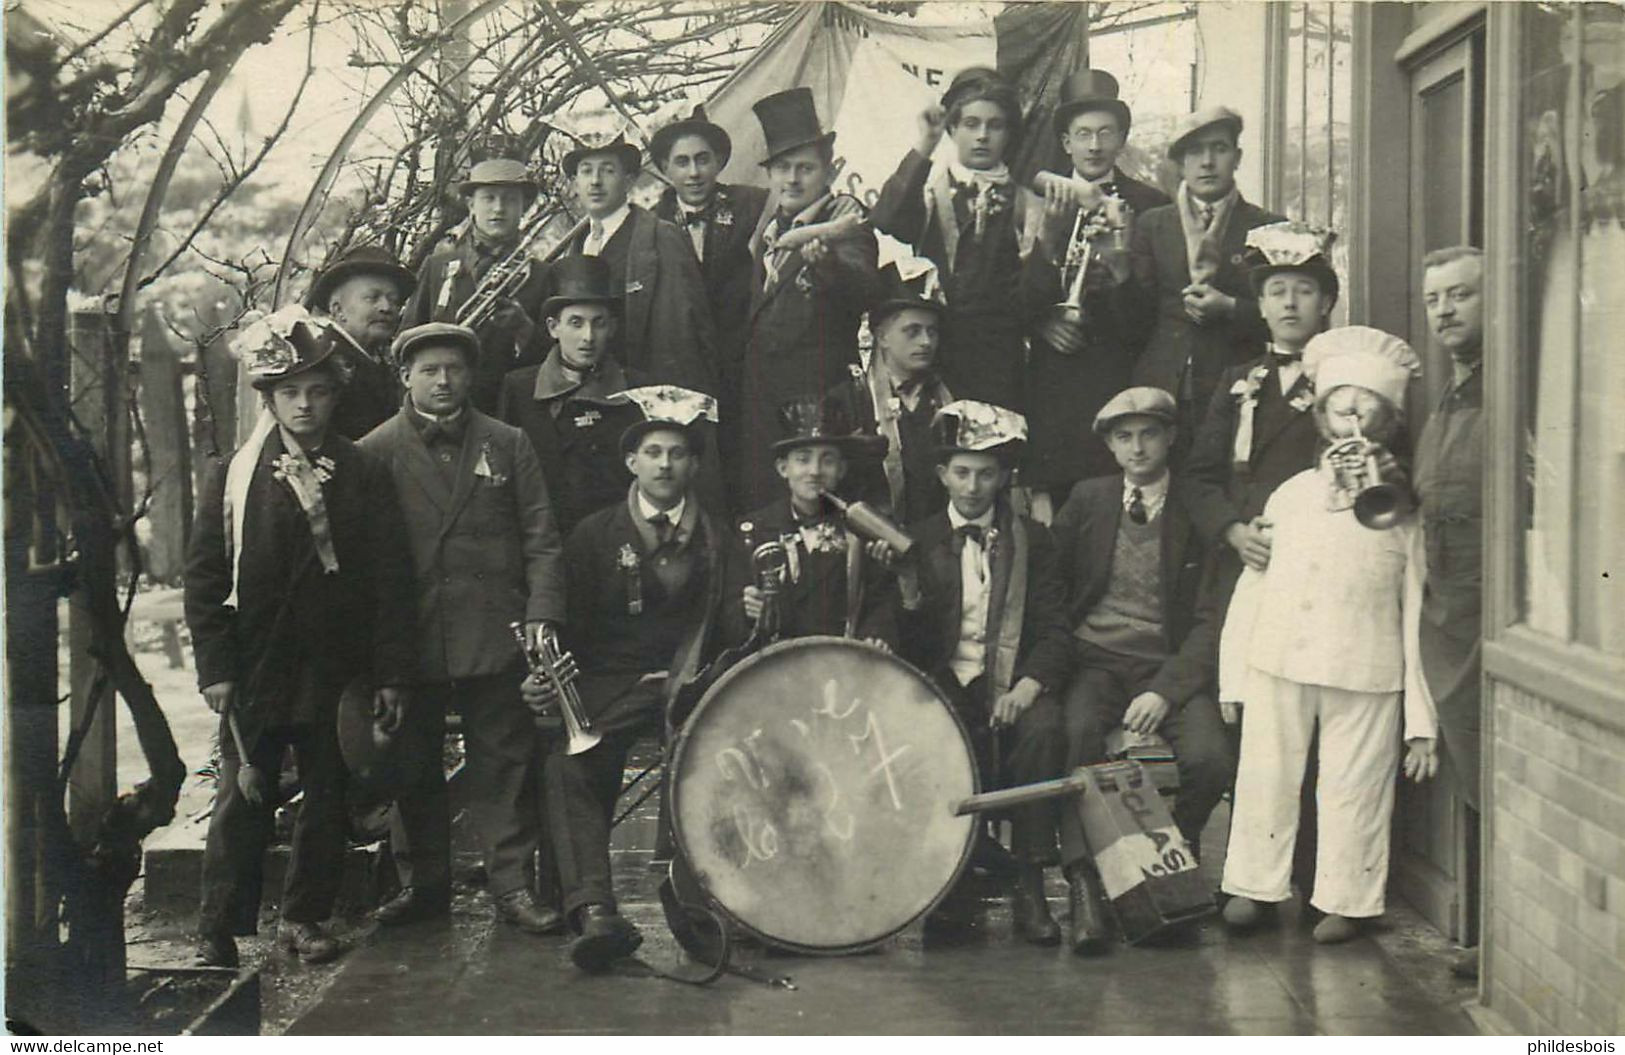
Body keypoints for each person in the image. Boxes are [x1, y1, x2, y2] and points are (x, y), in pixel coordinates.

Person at [186, 307, 414, 967]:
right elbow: (204, 576)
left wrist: (391, 670)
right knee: (242, 792)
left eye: (316, 391)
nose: (305, 404)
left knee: (327, 792)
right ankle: (217, 926)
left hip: (336, 662)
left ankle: (304, 916)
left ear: (334, 395)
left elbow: (390, 578)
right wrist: (215, 666)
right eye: (290, 392)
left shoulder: (362, 470)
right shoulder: (234, 476)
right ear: (270, 398)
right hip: (257, 661)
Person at [1218, 326, 1439, 945]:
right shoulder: (1290, 495)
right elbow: (1252, 588)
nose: (1352, 419)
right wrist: (1234, 676)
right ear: (1321, 420)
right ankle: (1253, 885)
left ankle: (1348, 896)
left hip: (1366, 668)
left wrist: (1420, 722)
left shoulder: (1402, 511)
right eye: (1339, 407)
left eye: (1367, 409)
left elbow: (1418, 609)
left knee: (1356, 786)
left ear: (1389, 424)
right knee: (1265, 777)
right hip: (1278, 660)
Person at [358, 322, 566, 935]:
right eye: (429, 371)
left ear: (471, 375)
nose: (443, 381)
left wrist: (542, 619)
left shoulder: (508, 443)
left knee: (504, 762)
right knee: (412, 765)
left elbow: (542, 540)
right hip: (412, 636)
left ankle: (511, 886)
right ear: (406, 378)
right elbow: (365, 565)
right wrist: (377, 653)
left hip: (495, 631)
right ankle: (423, 886)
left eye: (453, 369)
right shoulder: (374, 451)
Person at [523, 386, 726, 972]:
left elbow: (728, 630)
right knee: (571, 761)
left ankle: (696, 910)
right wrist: (546, 680)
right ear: (631, 462)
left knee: (705, 763)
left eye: (678, 453)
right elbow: (569, 621)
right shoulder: (594, 534)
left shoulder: (718, 538)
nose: (665, 464)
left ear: (693, 464)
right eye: (654, 452)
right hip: (613, 683)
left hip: (694, 686)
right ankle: (594, 910)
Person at [1183, 221, 1345, 903]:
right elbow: (1197, 476)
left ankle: (1313, 875)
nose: (1287, 304)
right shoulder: (1238, 379)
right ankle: (1251, 872)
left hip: (1316, 575)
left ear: (1325, 303)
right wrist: (1227, 531)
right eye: (1276, 291)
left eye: (1302, 291)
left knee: (1311, 715)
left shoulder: (1342, 383)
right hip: (1244, 572)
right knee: (1249, 723)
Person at [1050, 386, 1235, 954]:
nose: (1137, 447)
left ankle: (1169, 859)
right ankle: (1084, 882)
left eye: (1149, 433)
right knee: (1077, 735)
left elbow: (1211, 617)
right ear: (1109, 445)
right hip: (1097, 659)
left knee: (1209, 757)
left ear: (1171, 438)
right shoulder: (1088, 498)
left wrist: (1166, 690)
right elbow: (1054, 589)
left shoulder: (1196, 509)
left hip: (1168, 664)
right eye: (1124, 436)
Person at [893, 400, 1073, 946]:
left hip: (1013, 678)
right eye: (962, 472)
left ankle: (1030, 883)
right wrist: (905, 595)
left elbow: (1058, 628)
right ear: (942, 474)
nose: (973, 487)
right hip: (946, 678)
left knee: (1043, 730)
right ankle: (952, 883)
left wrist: (1028, 685)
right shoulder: (916, 542)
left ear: (1004, 477)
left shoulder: (1033, 541)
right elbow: (912, 645)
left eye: (986, 474)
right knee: (936, 735)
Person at [1022, 70, 1172, 509]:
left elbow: (1149, 315)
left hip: (1116, 380)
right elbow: (1009, 298)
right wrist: (1042, 319)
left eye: (1105, 132)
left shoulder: (1150, 206)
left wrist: (1121, 267)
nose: (1094, 145)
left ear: (1122, 138)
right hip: (1052, 388)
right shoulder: (1034, 200)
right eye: (1082, 134)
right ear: (1066, 142)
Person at [738, 87, 884, 511]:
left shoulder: (843, 223)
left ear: (828, 171)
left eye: (805, 168)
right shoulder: (769, 232)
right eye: (782, 168)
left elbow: (865, 288)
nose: (792, 179)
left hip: (815, 406)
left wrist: (826, 269)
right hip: (764, 406)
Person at [871, 67, 1040, 410]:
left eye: (995, 126)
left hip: (999, 364)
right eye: (971, 124)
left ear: (1009, 134)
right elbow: (886, 218)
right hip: (934, 358)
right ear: (952, 128)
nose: (982, 136)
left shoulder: (1028, 205)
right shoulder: (932, 195)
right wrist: (925, 143)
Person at [1124, 107, 1285, 447]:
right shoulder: (1153, 224)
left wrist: (1229, 307)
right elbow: (1135, 316)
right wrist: (1117, 269)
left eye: (1219, 149)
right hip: (1161, 385)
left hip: (1237, 385)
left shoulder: (1268, 227)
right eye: (1195, 152)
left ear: (1237, 157)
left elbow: (1286, 317)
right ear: (1180, 164)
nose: (1207, 162)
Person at [1414, 245, 1485, 980]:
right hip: (1445, 621)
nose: (1444, 311)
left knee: (1497, 775)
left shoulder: (1510, 389)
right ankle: (1492, 931)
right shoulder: (1449, 394)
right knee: (1472, 773)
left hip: (1491, 624)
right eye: (1435, 299)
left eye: (1461, 295)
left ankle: (1501, 935)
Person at [544, 126, 719, 397]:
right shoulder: (577, 244)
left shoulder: (661, 237)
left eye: (608, 170)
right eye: (587, 171)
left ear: (628, 180)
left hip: (648, 395)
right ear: (575, 183)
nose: (595, 182)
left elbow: (685, 337)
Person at [650, 103, 771, 469]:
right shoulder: (650, 226)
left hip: (747, 369)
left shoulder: (754, 205)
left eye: (703, 159)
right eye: (682, 162)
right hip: (684, 375)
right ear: (665, 169)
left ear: (718, 161)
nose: (694, 172)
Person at [723, 397, 896, 648]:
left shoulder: (861, 530)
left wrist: (875, 635)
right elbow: (728, 618)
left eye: (827, 460)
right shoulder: (754, 530)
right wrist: (747, 612)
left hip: (841, 663)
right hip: (777, 667)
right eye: (803, 460)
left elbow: (880, 601)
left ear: (841, 470)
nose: (815, 471)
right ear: (783, 468)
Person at [496, 255, 645, 535]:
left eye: (598, 323)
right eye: (576, 323)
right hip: (547, 541)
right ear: (554, 328)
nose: (588, 337)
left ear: (611, 328)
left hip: (617, 540)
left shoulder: (637, 388)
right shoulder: (519, 388)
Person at [403, 158, 549, 414]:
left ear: (524, 207)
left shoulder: (541, 274)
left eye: (510, 200)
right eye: (489, 198)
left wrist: (523, 328)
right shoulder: (438, 266)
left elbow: (552, 357)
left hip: (510, 411)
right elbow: (408, 343)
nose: (499, 208)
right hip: (442, 408)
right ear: (471, 204)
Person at [823, 258, 954, 525]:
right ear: (882, 337)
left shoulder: (950, 399)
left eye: (932, 331)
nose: (926, 342)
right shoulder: (847, 400)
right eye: (912, 331)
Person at [306, 244, 417, 439]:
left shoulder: (379, 360)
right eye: (372, 298)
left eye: (393, 300)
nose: (387, 307)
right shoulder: (322, 362)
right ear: (337, 310)